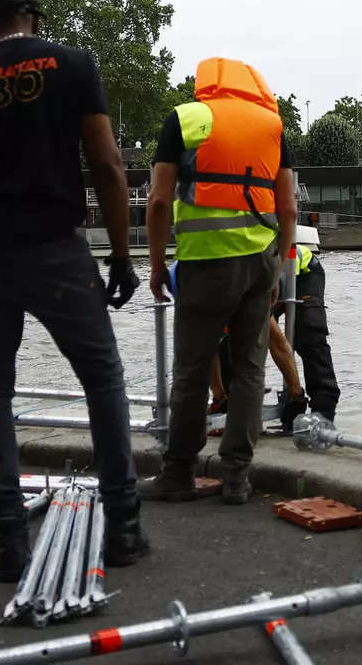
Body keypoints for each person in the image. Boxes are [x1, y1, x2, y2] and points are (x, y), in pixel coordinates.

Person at [0, 0, 146, 581]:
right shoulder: (73, 65)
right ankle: (122, 526)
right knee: (102, 379)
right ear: (33, 14)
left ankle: (9, 541)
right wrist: (123, 255)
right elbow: (105, 162)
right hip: (56, 249)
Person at [140, 57, 294, 506]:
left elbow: (158, 201)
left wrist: (154, 264)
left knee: (191, 369)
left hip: (205, 266)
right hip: (260, 264)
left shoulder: (185, 118)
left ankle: (179, 473)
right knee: (249, 369)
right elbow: (287, 209)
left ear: (206, 83)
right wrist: (280, 267)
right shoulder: (272, 125)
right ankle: (237, 478)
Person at [284, 242, 340, 428]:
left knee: (308, 334)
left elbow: (275, 343)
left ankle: (323, 407)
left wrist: (295, 396)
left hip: (305, 272)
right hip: (271, 276)